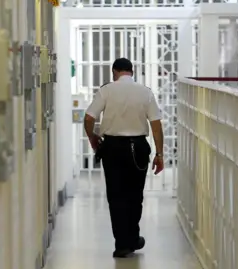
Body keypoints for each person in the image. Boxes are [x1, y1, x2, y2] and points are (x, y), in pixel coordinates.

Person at [83, 58, 164, 258]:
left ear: (115, 72)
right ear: (131, 71)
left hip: (112, 148)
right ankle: (133, 238)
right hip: (138, 148)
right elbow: (156, 124)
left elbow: (88, 118)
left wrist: (93, 138)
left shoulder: (106, 90)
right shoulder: (145, 92)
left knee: (116, 196)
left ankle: (122, 244)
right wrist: (159, 154)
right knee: (135, 195)